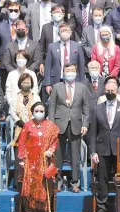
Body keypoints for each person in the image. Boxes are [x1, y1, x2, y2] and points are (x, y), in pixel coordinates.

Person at [89, 82, 120, 212]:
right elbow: (93, 132)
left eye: (112, 90)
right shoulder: (97, 109)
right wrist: (93, 152)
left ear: (117, 91)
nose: (109, 92)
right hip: (102, 149)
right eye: (107, 90)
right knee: (103, 179)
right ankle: (102, 206)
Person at [48, 63, 90, 193]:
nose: (70, 72)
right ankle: (57, 182)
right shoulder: (57, 87)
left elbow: (86, 108)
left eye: (72, 70)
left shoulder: (82, 88)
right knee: (58, 156)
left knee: (75, 156)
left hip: (76, 125)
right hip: (59, 125)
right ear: (63, 72)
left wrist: (85, 124)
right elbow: (52, 107)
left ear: (76, 73)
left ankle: (75, 183)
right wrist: (52, 124)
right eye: (67, 70)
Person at [17, 102, 59, 212]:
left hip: (45, 160)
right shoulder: (28, 125)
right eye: (36, 111)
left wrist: (50, 150)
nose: (39, 113)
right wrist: (22, 158)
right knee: (31, 184)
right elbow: (21, 142)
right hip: (30, 161)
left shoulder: (51, 126)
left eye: (41, 111)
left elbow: (55, 140)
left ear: (45, 112)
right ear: (32, 112)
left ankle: (43, 208)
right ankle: (30, 209)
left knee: (43, 185)